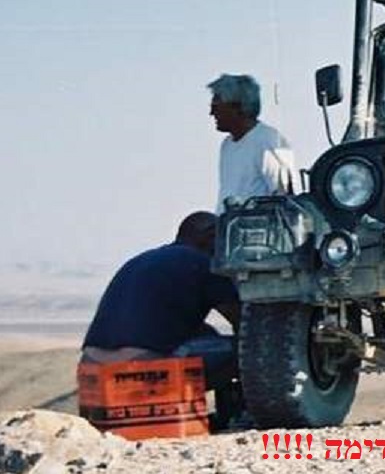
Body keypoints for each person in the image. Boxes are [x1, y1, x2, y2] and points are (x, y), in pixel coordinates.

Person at [81, 212, 244, 427]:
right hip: (142, 367)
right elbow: (243, 323)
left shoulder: (144, 259)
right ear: (211, 236)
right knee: (248, 351)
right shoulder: (204, 263)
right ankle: (238, 414)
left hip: (92, 367)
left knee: (209, 335)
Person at [207, 73, 296, 212]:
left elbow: (285, 198)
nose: (212, 113)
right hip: (229, 223)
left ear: (237, 107)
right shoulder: (227, 145)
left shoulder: (269, 141)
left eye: (216, 106)